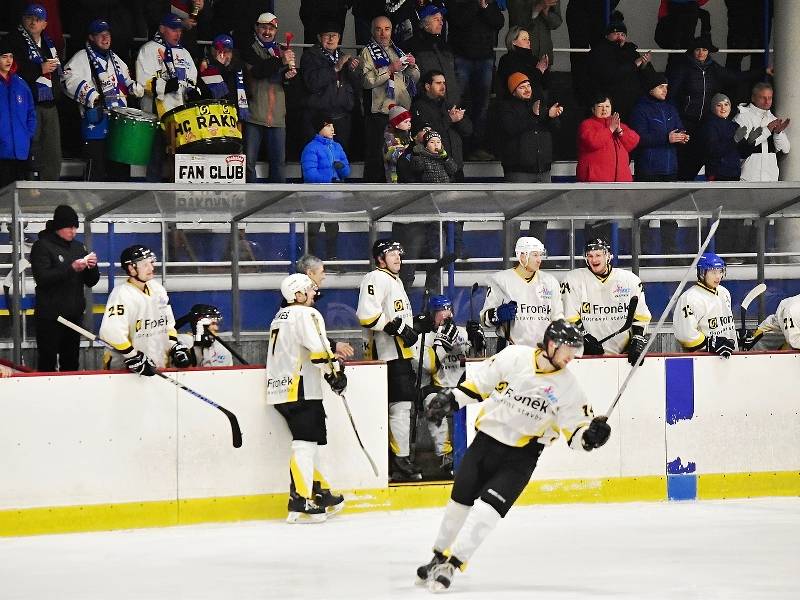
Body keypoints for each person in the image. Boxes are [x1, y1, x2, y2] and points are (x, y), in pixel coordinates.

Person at [415, 319, 611, 592]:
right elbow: (477, 387)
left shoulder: (569, 389)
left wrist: (591, 438)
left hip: (521, 457)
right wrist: (448, 400)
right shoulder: (514, 357)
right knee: (458, 503)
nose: (572, 357)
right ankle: (437, 555)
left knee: (487, 511)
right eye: (569, 349)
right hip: (485, 444)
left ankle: (454, 563)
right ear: (552, 344)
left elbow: (576, 436)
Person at [266, 273, 346, 523]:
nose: (314, 294)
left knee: (310, 441)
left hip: (280, 388)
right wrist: (336, 374)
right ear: (297, 295)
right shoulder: (306, 314)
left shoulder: (279, 317)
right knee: (305, 443)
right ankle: (300, 499)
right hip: (300, 387)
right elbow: (320, 350)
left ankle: (318, 490)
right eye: (309, 290)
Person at [356, 239, 423, 481]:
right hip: (386, 356)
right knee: (399, 409)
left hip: (401, 355)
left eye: (399, 253)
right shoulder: (375, 278)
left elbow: (397, 316)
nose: (397, 257)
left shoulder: (395, 280)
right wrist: (396, 328)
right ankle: (398, 461)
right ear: (380, 258)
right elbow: (367, 315)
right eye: (391, 253)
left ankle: (398, 459)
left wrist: (412, 327)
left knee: (402, 408)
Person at [61, 19, 144, 182]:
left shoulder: (116, 59)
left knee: (120, 171)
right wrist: (92, 95)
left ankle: (119, 207)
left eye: (107, 35)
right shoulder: (81, 57)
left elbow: (125, 81)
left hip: (119, 123)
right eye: (100, 35)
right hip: (96, 122)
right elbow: (66, 80)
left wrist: (134, 87)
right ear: (91, 38)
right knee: (95, 171)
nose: (105, 39)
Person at [667, 35, 753, 181]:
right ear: (693, 51)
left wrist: (763, 71)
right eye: (698, 49)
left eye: (705, 49)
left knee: (706, 157)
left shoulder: (714, 68)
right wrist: (676, 121)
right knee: (686, 163)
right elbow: (671, 95)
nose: (701, 53)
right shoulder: (683, 68)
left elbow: (735, 77)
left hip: (706, 123)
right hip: (687, 123)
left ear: (709, 51)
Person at [99, 244, 192, 373]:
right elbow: (111, 333)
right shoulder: (121, 294)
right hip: (124, 371)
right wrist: (133, 357)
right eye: (145, 265)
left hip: (157, 365)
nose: (151, 268)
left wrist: (174, 346)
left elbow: (168, 325)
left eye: (151, 263)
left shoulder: (158, 289)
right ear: (131, 268)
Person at [30, 205, 99, 372]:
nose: (73, 231)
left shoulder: (79, 247)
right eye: (69, 227)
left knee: (71, 362)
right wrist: (71, 269)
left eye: (76, 227)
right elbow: (43, 278)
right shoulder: (42, 247)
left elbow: (91, 282)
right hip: (50, 317)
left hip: (73, 316)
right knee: (47, 362)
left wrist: (92, 267)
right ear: (59, 226)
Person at [561, 238, 651, 365]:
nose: (594, 260)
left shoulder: (630, 280)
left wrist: (638, 337)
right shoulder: (573, 280)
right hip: (586, 359)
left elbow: (641, 316)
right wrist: (583, 337)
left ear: (608, 256)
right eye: (590, 255)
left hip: (623, 358)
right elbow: (569, 316)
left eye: (598, 255)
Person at [136, 13, 199, 182]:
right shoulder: (148, 50)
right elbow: (143, 83)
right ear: (162, 29)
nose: (178, 33)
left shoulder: (184, 52)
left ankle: (177, 203)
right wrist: (165, 86)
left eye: (180, 30)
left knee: (179, 164)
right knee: (155, 162)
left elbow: (192, 78)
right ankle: (151, 204)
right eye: (173, 29)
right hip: (156, 117)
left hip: (181, 118)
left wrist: (192, 90)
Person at [415, 293, 471, 477]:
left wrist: (477, 342)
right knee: (432, 404)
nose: (446, 314)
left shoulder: (463, 333)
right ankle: (445, 456)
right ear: (432, 314)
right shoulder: (424, 337)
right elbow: (428, 367)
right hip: (438, 389)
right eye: (441, 311)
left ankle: (475, 455)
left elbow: (476, 358)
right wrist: (442, 344)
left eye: (448, 309)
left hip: (465, 387)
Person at [359, 15, 420, 182]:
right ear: (372, 31)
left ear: (392, 31)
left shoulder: (397, 50)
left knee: (402, 156)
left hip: (401, 113)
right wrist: (390, 69)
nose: (383, 33)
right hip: (381, 113)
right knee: (377, 157)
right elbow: (367, 81)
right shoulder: (367, 52)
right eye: (378, 29)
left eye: (387, 29)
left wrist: (413, 66)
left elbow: (413, 78)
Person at [6, 3, 63, 181]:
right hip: (26, 105)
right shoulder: (12, 41)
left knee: (52, 149)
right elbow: (10, 71)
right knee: (31, 146)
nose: (33, 22)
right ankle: (29, 187)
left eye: (37, 19)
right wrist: (39, 68)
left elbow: (55, 71)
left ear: (45, 24)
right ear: (23, 19)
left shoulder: (49, 43)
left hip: (49, 103)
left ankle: (51, 187)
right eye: (29, 18)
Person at [241, 11, 297, 183]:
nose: (267, 32)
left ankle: (278, 206)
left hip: (277, 116)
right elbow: (258, 71)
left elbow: (290, 85)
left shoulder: (281, 50)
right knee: (248, 163)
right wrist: (281, 61)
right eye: (264, 27)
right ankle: (248, 201)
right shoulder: (248, 49)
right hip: (254, 114)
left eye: (271, 29)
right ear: (256, 28)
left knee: (279, 163)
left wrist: (289, 77)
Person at [480, 236, 563, 349]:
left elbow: (558, 318)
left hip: (544, 352)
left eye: (540, 255)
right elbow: (484, 319)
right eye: (535, 255)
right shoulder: (501, 281)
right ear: (522, 256)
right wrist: (497, 314)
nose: (539, 259)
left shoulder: (550, 282)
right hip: (511, 352)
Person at [447, 0, 504, 159]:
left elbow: (499, 22)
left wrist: (485, 7)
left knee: (482, 106)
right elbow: (459, 20)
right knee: (457, 102)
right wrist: (476, 5)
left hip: (485, 58)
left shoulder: (487, 2)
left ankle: (477, 147)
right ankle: (457, 147)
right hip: (461, 57)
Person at [299, 21, 360, 152]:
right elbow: (312, 83)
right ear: (319, 38)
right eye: (327, 35)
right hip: (317, 118)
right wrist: (336, 68)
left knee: (339, 160)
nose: (331, 39)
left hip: (341, 117)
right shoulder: (310, 55)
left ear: (339, 38)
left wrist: (353, 70)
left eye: (334, 35)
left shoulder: (344, 57)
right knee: (317, 159)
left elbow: (356, 86)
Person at [496, 71, 562, 184]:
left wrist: (551, 117)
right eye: (522, 87)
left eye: (528, 85)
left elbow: (556, 128)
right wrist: (533, 115)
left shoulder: (539, 104)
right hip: (518, 172)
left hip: (544, 171)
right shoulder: (506, 108)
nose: (527, 90)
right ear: (513, 92)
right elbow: (511, 129)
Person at [301, 115, 350, 261]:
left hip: (334, 195)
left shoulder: (337, 146)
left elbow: (346, 171)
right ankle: (310, 260)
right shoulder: (311, 148)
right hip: (316, 195)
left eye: (332, 125)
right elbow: (309, 174)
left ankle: (332, 258)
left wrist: (341, 169)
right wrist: (330, 178)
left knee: (333, 228)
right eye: (328, 125)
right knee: (313, 229)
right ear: (320, 129)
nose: (332, 128)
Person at [586, 14, 654, 122]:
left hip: (633, 105)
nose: (620, 37)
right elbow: (610, 75)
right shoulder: (600, 51)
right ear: (607, 35)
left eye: (623, 34)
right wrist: (634, 64)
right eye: (616, 33)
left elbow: (649, 78)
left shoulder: (632, 51)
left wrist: (644, 65)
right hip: (611, 105)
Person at [673, 252, 738, 358]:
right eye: (713, 272)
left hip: (729, 358)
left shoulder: (724, 292)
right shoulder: (690, 298)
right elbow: (685, 335)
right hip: (703, 360)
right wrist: (709, 344)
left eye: (720, 271)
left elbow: (724, 325)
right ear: (702, 273)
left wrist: (737, 336)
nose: (718, 276)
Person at [629, 71, 687, 182]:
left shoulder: (671, 108)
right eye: (661, 87)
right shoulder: (640, 110)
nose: (665, 90)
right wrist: (667, 138)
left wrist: (682, 136)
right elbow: (639, 138)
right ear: (651, 89)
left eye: (666, 87)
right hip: (648, 169)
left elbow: (679, 127)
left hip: (671, 168)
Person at [295, 253, 355, 360]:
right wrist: (332, 352)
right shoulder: (301, 301)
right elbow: (309, 336)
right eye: (322, 272)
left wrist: (333, 347)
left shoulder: (297, 298)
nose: (324, 276)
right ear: (310, 273)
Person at [565, 0, 622, 106]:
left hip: (601, 9)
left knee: (602, 53)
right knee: (579, 54)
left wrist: (608, 6)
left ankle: (603, 97)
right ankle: (581, 98)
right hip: (578, 10)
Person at [733, 82, 790, 183]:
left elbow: (785, 149)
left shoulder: (773, 118)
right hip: (748, 178)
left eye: (770, 98)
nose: (767, 101)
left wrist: (778, 133)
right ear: (753, 98)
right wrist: (767, 130)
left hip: (771, 179)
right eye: (762, 97)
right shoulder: (742, 117)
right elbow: (742, 148)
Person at [576, 94, 640, 183]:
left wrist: (620, 132)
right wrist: (610, 129)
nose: (604, 109)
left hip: (621, 179)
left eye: (607, 106)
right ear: (593, 109)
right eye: (600, 106)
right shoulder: (587, 124)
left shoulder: (618, 125)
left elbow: (634, 141)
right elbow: (593, 142)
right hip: (595, 180)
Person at [404, 4, 459, 105]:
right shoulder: (413, 46)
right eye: (436, 19)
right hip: (428, 106)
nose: (441, 22)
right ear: (426, 23)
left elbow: (454, 74)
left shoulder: (445, 45)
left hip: (451, 103)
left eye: (441, 19)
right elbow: (411, 79)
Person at [0, 42, 37, 188]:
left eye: (11, 57)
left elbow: (31, 113)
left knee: (18, 197)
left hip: (20, 151)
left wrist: (27, 134)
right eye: (4, 57)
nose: (9, 60)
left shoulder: (21, 84)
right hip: (2, 152)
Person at [197, 34, 250, 123]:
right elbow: (207, 93)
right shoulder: (206, 67)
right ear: (213, 51)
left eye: (228, 51)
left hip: (234, 116)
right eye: (221, 51)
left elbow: (246, 90)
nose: (224, 55)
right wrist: (219, 66)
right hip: (212, 117)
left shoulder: (239, 67)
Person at [495, 26, 547, 101]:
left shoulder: (533, 58)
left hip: (536, 102)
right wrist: (539, 71)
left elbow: (545, 84)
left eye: (528, 39)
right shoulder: (507, 60)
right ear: (513, 42)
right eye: (524, 39)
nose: (528, 41)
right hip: (515, 104)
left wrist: (545, 69)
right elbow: (519, 84)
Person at [508, 0, 562, 67]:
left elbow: (557, 23)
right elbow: (516, 22)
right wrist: (537, 9)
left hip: (544, 54)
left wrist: (546, 12)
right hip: (521, 55)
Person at [383, 103, 413, 183]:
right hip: (394, 174)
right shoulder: (389, 138)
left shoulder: (407, 136)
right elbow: (391, 157)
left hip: (406, 172)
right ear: (396, 124)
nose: (409, 124)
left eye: (409, 121)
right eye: (406, 122)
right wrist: (408, 150)